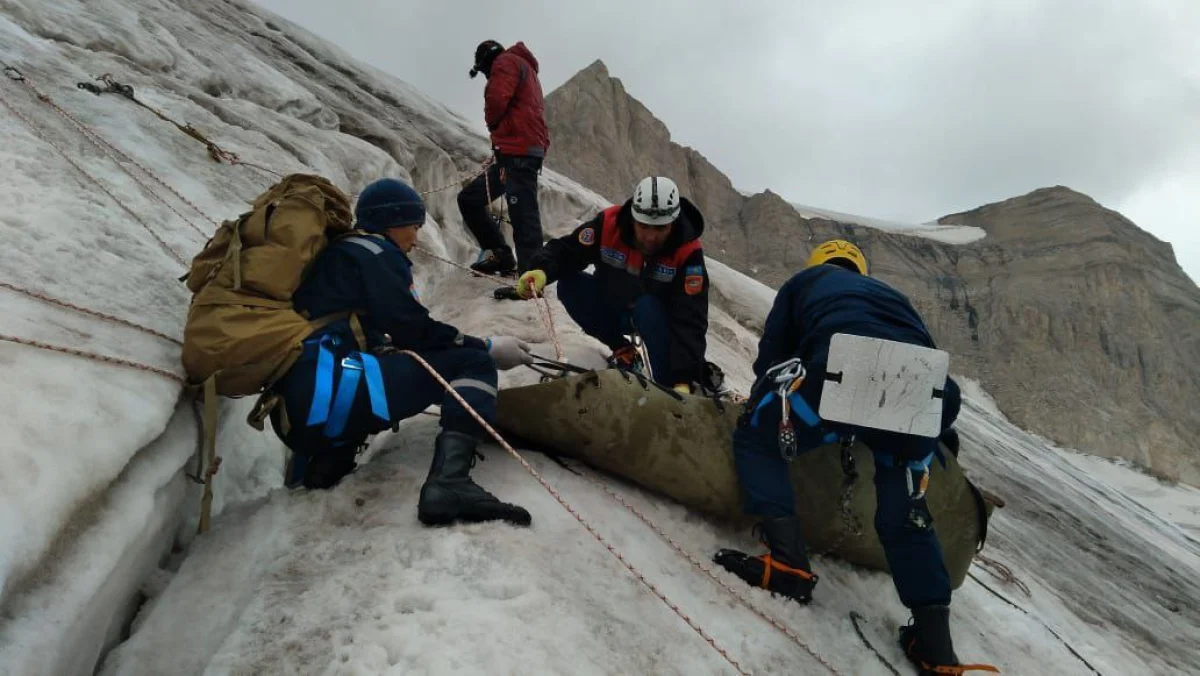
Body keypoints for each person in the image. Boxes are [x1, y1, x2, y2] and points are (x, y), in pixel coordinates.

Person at [712, 240, 990, 676]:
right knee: (904, 500)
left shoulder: (804, 282)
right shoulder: (894, 298)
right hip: (922, 393)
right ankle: (935, 641)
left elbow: (773, 360)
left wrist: (769, 407)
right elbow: (925, 370)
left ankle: (788, 562)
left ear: (818, 264)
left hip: (844, 369)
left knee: (756, 437)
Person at [268, 177, 534, 527]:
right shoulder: (375, 253)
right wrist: (485, 346)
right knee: (471, 363)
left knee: (378, 364)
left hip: (300, 410)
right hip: (334, 393)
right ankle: (451, 483)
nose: (416, 237)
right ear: (392, 222)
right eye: (413, 226)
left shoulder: (340, 253)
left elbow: (364, 329)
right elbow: (415, 330)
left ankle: (323, 467)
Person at [512, 176, 709, 393]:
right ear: (633, 218)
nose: (651, 237)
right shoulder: (608, 225)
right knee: (570, 285)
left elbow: (691, 317)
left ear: (673, 223)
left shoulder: (687, 252)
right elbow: (567, 250)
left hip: (658, 321)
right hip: (614, 305)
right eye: (644, 226)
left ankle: (669, 389)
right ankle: (623, 350)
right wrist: (541, 270)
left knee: (647, 308)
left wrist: (684, 378)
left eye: (660, 228)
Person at [458, 39, 550, 276]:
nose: (486, 76)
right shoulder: (524, 68)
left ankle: (531, 278)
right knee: (470, 198)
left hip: (519, 153)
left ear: (486, 60)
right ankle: (500, 254)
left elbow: (497, 99)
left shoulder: (505, 62)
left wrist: (493, 123)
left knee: (523, 215)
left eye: (483, 71)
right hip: (513, 154)